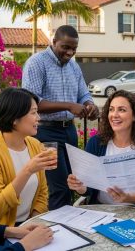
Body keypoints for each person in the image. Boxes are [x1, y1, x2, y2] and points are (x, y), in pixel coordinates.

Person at [22, 25, 99, 210]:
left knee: (74, 182)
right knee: (59, 187)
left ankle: (66, 224)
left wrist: (90, 105)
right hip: (45, 132)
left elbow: (83, 94)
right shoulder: (36, 62)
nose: (70, 52)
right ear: (54, 42)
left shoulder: (74, 66)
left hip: (69, 131)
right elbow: (32, 102)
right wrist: (68, 105)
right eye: (65, 47)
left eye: (74, 48)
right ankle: (58, 231)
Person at [0, 84, 53, 250]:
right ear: (15, 119)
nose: (39, 118)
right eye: (33, 112)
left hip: (22, 229)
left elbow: (43, 191)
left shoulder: (35, 145)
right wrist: (28, 170)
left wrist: (34, 222)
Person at [68, 90, 135, 210]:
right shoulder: (96, 143)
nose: (114, 115)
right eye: (111, 109)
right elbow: (88, 188)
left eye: (121, 110)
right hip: (101, 210)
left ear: (134, 116)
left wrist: (128, 197)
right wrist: (79, 186)